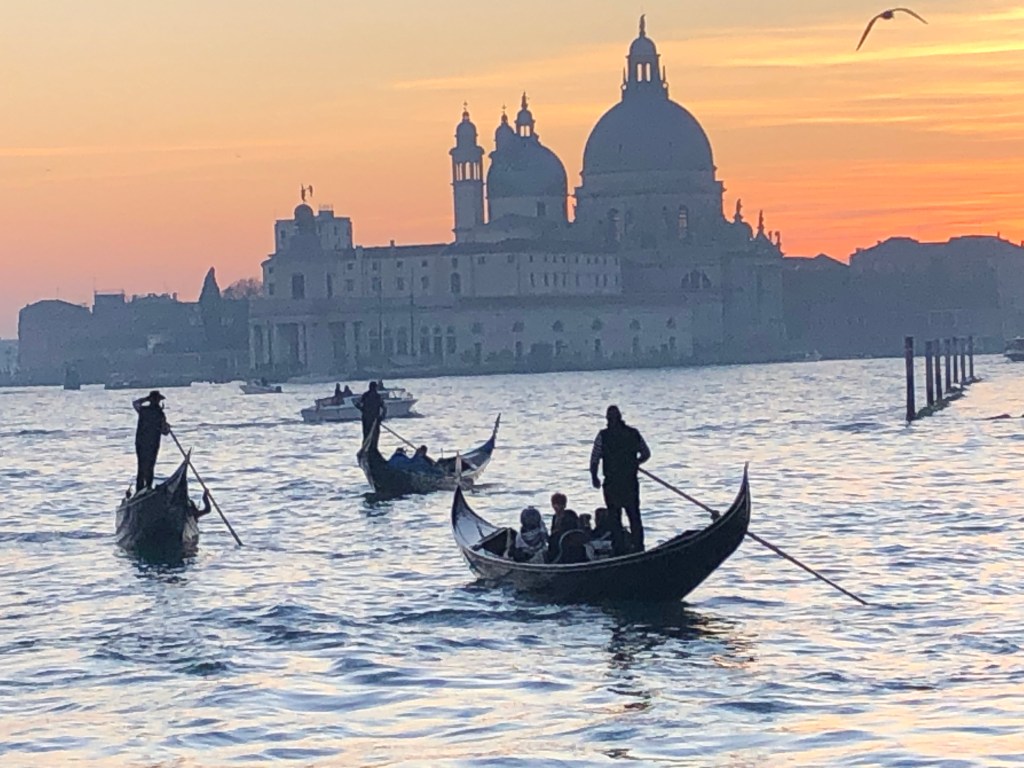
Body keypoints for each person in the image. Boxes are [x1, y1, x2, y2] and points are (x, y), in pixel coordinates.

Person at [590, 405, 651, 554]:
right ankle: (639, 547)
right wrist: (636, 463)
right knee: (634, 516)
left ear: (608, 419)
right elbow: (646, 453)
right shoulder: (633, 433)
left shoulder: (602, 436)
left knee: (615, 518)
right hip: (630, 482)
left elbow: (594, 459)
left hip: (612, 484)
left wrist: (594, 477)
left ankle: (619, 549)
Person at [132, 390, 170, 493]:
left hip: (146, 442)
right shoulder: (154, 412)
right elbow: (165, 431)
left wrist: (166, 427)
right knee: (146, 466)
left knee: (145, 466)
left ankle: (144, 488)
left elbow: (164, 431)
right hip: (147, 442)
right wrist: (166, 428)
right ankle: (144, 488)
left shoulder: (149, 411)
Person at [546, 492, 580, 562]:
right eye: (554, 504)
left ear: (564, 505)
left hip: (568, 543)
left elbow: (572, 531)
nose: (556, 507)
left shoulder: (570, 516)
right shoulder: (555, 517)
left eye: (559, 504)